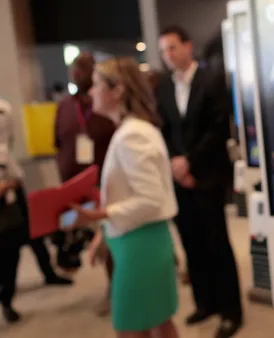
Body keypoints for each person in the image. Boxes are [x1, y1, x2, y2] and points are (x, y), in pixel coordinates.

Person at [72, 57, 179, 338]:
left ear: (117, 90)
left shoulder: (132, 135)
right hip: (142, 240)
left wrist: (97, 216)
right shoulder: (135, 130)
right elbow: (134, 196)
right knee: (158, 323)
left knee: (132, 329)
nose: (91, 92)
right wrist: (102, 234)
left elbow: (150, 198)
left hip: (140, 246)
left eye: (96, 85)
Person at [157, 25, 242, 337]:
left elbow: (219, 128)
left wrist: (189, 162)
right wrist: (175, 163)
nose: (168, 55)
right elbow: (163, 129)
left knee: (217, 242)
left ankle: (231, 312)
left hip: (207, 174)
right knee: (191, 243)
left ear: (188, 46)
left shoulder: (211, 79)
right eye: (163, 50)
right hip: (178, 179)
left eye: (172, 48)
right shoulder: (163, 86)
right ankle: (205, 303)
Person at [53, 52, 116, 314]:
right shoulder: (64, 107)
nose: (76, 74)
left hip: (105, 185)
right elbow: (57, 143)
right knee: (84, 235)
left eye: (82, 69)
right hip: (74, 187)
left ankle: (116, 288)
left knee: (111, 237)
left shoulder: (104, 107)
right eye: (73, 69)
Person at [0, 99, 27, 323]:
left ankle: (7, 299)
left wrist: (12, 182)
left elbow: (9, 144)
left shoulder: (5, 108)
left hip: (9, 198)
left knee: (12, 250)